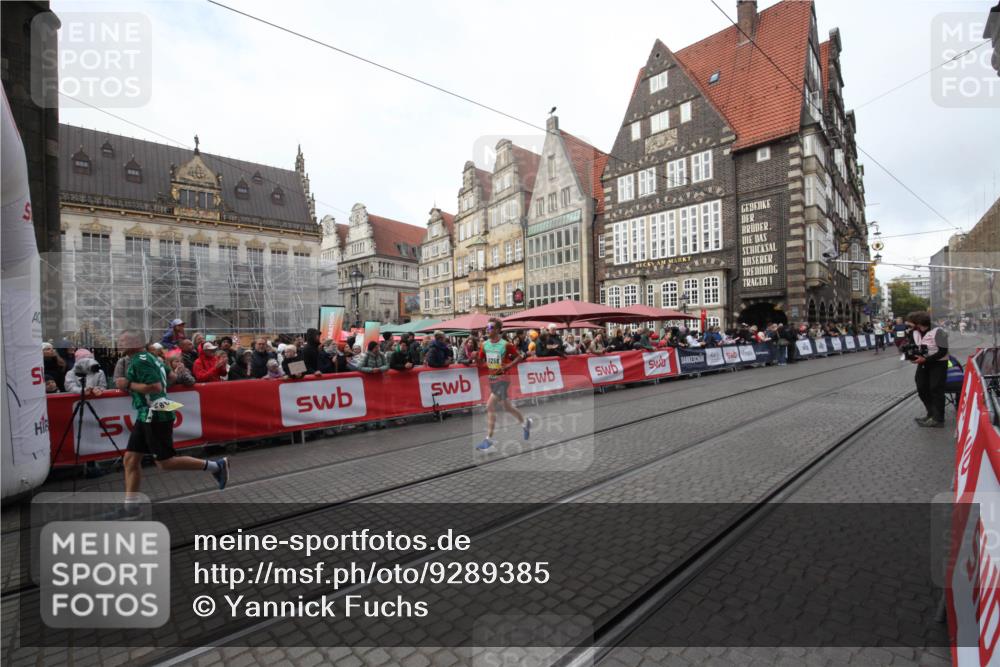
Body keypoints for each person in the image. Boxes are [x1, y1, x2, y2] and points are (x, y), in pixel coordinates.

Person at [117, 330, 228, 502]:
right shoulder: (153, 357)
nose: (119, 344)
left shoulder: (140, 361)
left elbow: (155, 387)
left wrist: (128, 384)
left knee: (165, 462)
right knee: (130, 460)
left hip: (155, 413)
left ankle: (216, 466)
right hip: (146, 413)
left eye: (124, 340)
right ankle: (130, 506)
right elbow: (172, 376)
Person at [476, 318, 531, 451]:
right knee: (507, 407)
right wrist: (475, 357)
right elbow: (480, 361)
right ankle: (525, 423)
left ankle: (488, 440)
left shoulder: (506, 345)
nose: (487, 329)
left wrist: (508, 366)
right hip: (492, 379)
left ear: (498, 330)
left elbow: (519, 356)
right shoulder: (484, 345)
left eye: (490, 327)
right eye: (487, 327)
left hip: (503, 379)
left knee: (490, 405)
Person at [907, 311, 949, 427]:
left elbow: (943, 351)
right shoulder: (915, 332)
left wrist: (925, 359)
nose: (909, 324)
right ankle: (931, 414)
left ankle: (938, 419)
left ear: (919, 322)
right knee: (921, 387)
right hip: (924, 363)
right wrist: (912, 356)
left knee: (936, 389)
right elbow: (914, 346)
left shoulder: (939, 331)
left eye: (911, 322)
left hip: (938, 364)